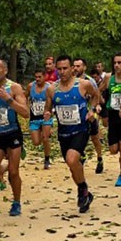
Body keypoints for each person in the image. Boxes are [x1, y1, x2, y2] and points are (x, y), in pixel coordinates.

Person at [45, 55, 99, 213]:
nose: (62, 72)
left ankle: (82, 189)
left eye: (65, 68)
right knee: (72, 166)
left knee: (71, 159)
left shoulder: (83, 85)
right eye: (59, 69)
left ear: (71, 69)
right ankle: (85, 192)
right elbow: (48, 108)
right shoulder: (51, 89)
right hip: (64, 133)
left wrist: (92, 110)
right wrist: (47, 113)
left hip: (81, 130)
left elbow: (96, 96)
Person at [0, 59, 29, 216]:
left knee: (13, 173)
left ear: (5, 71)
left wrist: (8, 99)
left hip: (12, 133)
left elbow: (25, 112)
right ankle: (4, 166)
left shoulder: (14, 87)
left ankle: (16, 202)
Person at [99, 53, 121, 186]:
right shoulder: (108, 77)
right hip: (112, 114)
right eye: (115, 62)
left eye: (120, 62)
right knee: (113, 149)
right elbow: (98, 91)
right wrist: (99, 103)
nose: (117, 65)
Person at [73, 58, 105, 173]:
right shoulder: (71, 80)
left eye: (78, 66)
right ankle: (81, 155)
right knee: (76, 136)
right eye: (74, 66)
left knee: (94, 138)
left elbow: (96, 96)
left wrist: (95, 108)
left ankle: (100, 158)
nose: (76, 68)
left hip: (89, 113)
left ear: (84, 67)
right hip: (75, 115)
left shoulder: (90, 81)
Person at [26, 69, 53, 170]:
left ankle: (47, 159)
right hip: (34, 117)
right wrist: (26, 106)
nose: (37, 79)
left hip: (46, 117)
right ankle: (43, 133)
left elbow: (53, 101)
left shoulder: (49, 88)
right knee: (36, 142)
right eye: (36, 77)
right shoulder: (30, 86)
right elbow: (24, 96)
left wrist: (51, 112)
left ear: (45, 76)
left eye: (39, 77)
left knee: (46, 139)